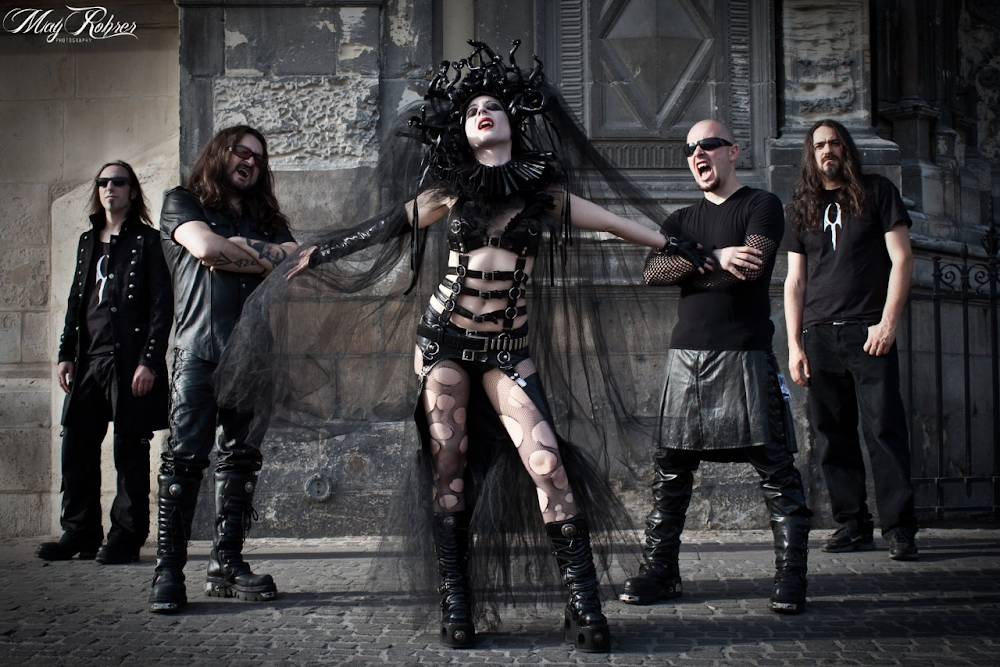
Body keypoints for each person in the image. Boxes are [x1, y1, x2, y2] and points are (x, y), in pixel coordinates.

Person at [216, 41, 709, 653]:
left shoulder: (545, 194)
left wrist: (683, 247)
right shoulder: (448, 192)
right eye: (473, 109)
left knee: (547, 464)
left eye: (492, 107)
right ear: (463, 129)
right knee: (448, 464)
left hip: (507, 348)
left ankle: (583, 603)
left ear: (510, 123)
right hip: (445, 343)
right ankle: (456, 602)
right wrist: (318, 253)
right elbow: (383, 228)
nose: (483, 113)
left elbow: (616, 222)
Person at [619, 119, 813, 615]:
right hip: (686, 356)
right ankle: (661, 572)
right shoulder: (681, 219)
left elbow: (750, 268)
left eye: (708, 144)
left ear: (733, 151)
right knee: (670, 473)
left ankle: (791, 576)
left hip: (745, 353)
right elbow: (652, 271)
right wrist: (718, 255)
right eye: (690, 149)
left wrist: (697, 266)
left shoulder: (761, 205)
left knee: (776, 470)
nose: (698, 154)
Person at [148, 126, 297, 613]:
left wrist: (233, 247)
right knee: (184, 460)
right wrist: (255, 257)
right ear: (218, 154)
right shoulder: (182, 201)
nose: (250, 161)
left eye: (258, 157)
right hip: (198, 351)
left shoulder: (267, 218)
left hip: (253, 353)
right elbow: (205, 249)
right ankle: (168, 572)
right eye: (241, 151)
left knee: (241, 460)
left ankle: (226, 564)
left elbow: (294, 261)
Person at [782, 119, 918, 561]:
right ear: (811, 154)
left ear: (847, 149)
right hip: (819, 335)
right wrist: (795, 345)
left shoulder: (877, 192)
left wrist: (888, 323)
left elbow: (902, 259)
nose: (828, 150)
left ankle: (899, 528)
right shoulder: (800, 207)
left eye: (835, 142)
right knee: (832, 435)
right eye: (820, 145)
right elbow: (795, 282)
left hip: (868, 332)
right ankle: (853, 524)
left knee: (884, 430)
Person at [37, 161, 172, 565]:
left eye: (118, 182)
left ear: (132, 191)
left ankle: (126, 538)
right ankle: (79, 532)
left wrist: (149, 362)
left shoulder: (147, 241)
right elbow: (75, 302)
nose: (110, 187)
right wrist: (65, 354)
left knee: (130, 448)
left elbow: (161, 307)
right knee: (76, 445)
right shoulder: (87, 240)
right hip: (87, 360)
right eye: (103, 182)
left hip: (127, 361)